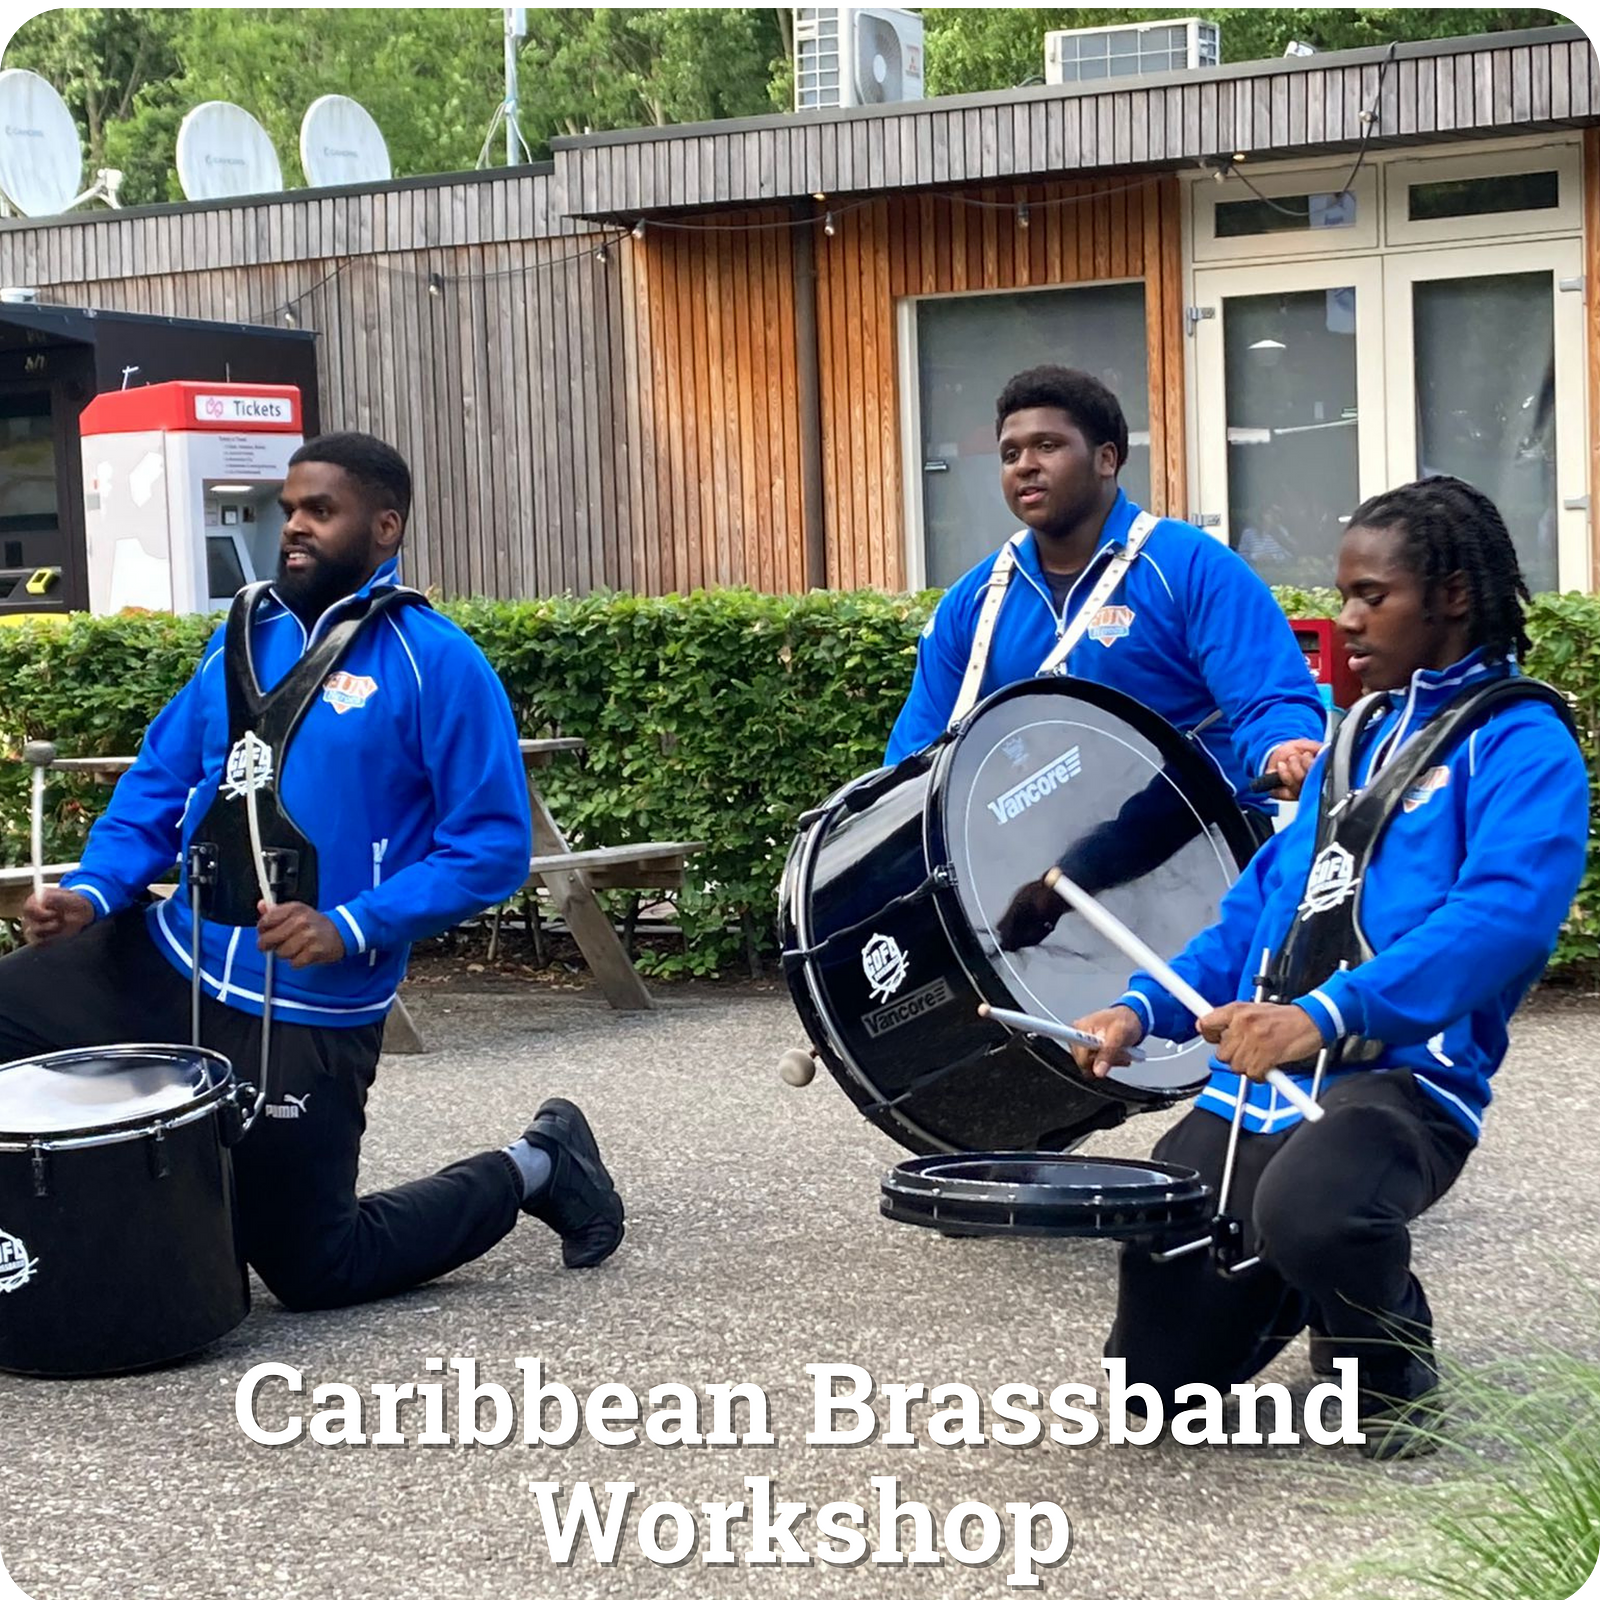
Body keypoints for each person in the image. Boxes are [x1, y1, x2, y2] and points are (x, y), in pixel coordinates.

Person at [2, 432, 624, 1313]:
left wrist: (350, 926)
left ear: (384, 526)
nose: (293, 526)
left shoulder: (435, 660)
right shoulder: (238, 642)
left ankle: (539, 1165)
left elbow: (490, 846)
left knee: (317, 1269)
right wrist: (94, 893)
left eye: (320, 511)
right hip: (167, 958)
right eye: (288, 508)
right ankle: (83, 1251)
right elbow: (160, 782)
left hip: (302, 1007)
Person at [1069, 476, 1589, 1458]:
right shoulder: (1356, 736)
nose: (1344, 620)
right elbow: (1259, 907)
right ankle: (1295, 1273)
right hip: (1261, 1091)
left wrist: (1322, 1016)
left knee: (1316, 1209)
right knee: (1152, 1383)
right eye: (1343, 595)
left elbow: (1503, 921)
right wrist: (1142, 1009)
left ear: (1452, 596)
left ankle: (1390, 1370)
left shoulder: (1524, 743)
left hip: (1402, 1084)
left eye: (1370, 596)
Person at [884, 366, 1327, 951]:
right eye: (1010, 453)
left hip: (1200, 852)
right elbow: (915, 758)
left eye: (1047, 446)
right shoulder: (974, 602)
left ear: (1106, 458)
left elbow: (1268, 695)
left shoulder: (1189, 566)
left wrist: (1284, 746)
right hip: (1043, 873)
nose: (1024, 465)